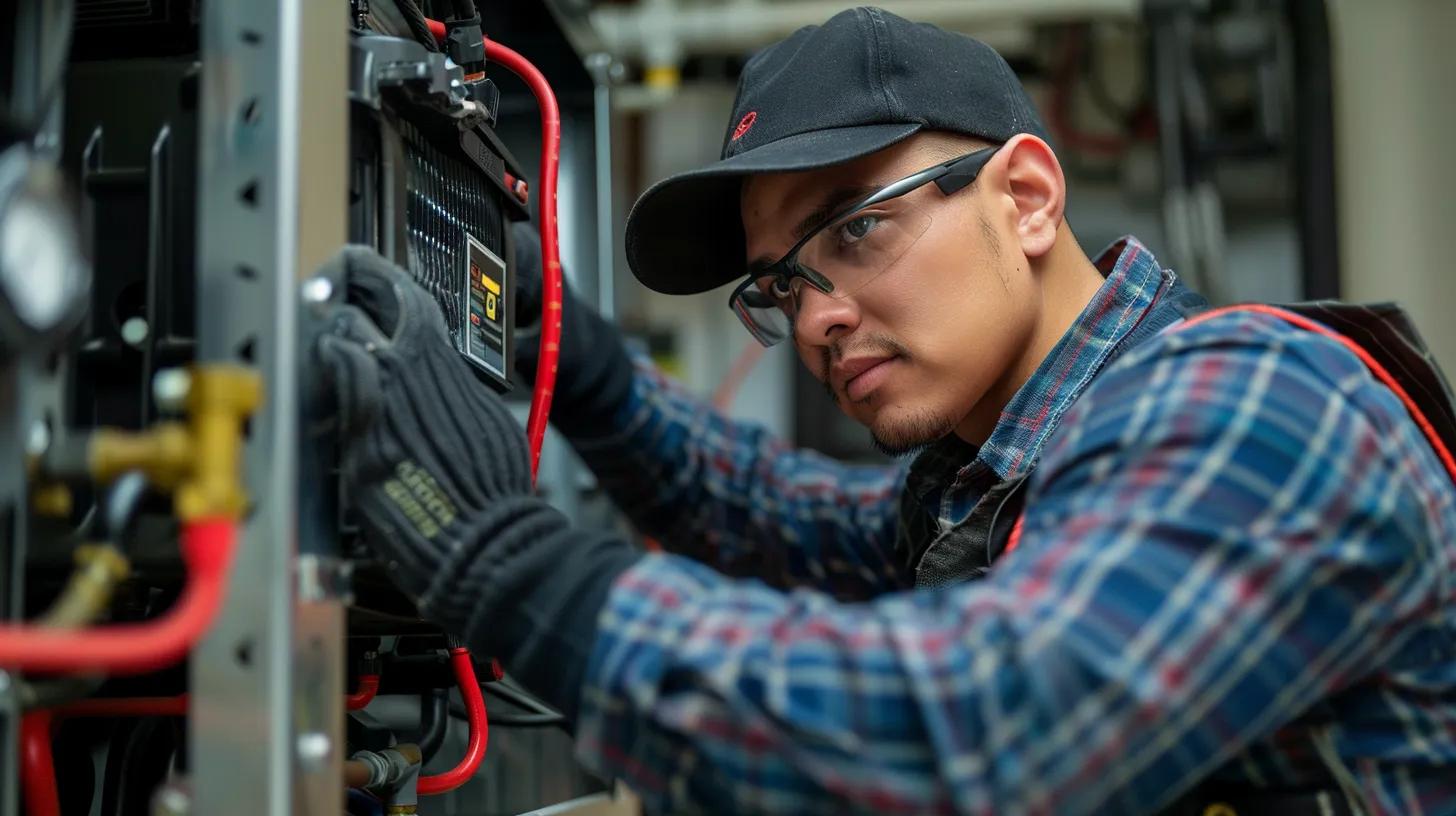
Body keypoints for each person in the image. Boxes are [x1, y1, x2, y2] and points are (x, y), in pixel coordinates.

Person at [313, 7, 1456, 814]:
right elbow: (781, 514)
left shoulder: (1255, 402)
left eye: (854, 228)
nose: (815, 319)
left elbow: (974, 740)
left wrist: (501, 563)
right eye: (779, 283)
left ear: (1024, 197)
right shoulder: (1004, 474)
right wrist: (573, 358)